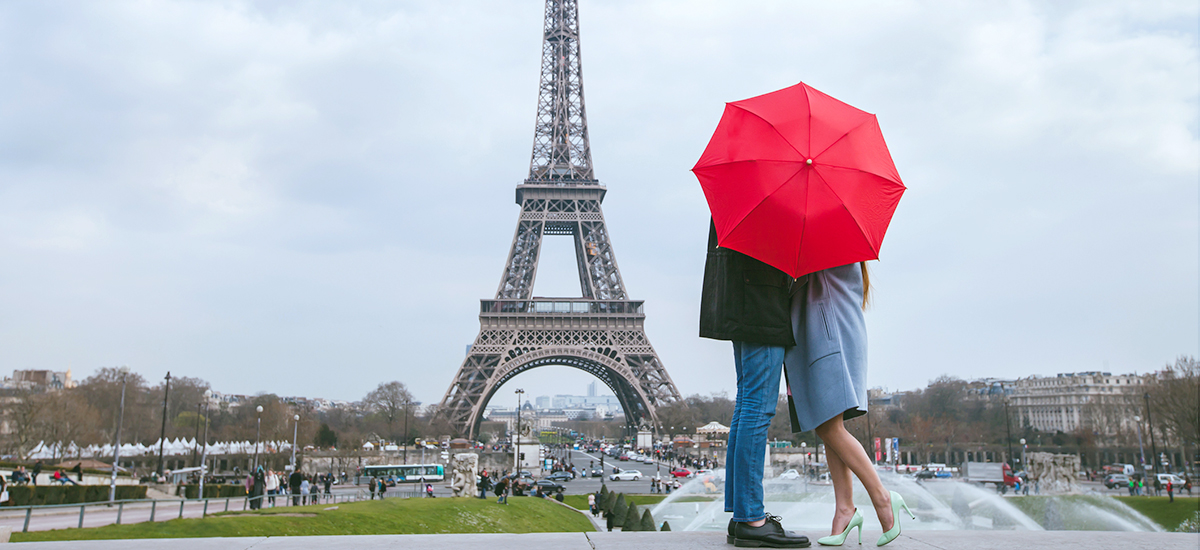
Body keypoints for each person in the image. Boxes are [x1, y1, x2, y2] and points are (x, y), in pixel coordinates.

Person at [700, 220, 810, 549]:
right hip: (761, 303)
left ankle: (743, 515)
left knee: (747, 404)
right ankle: (751, 517)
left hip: (745, 300)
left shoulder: (742, 196)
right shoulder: (771, 200)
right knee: (757, 408)